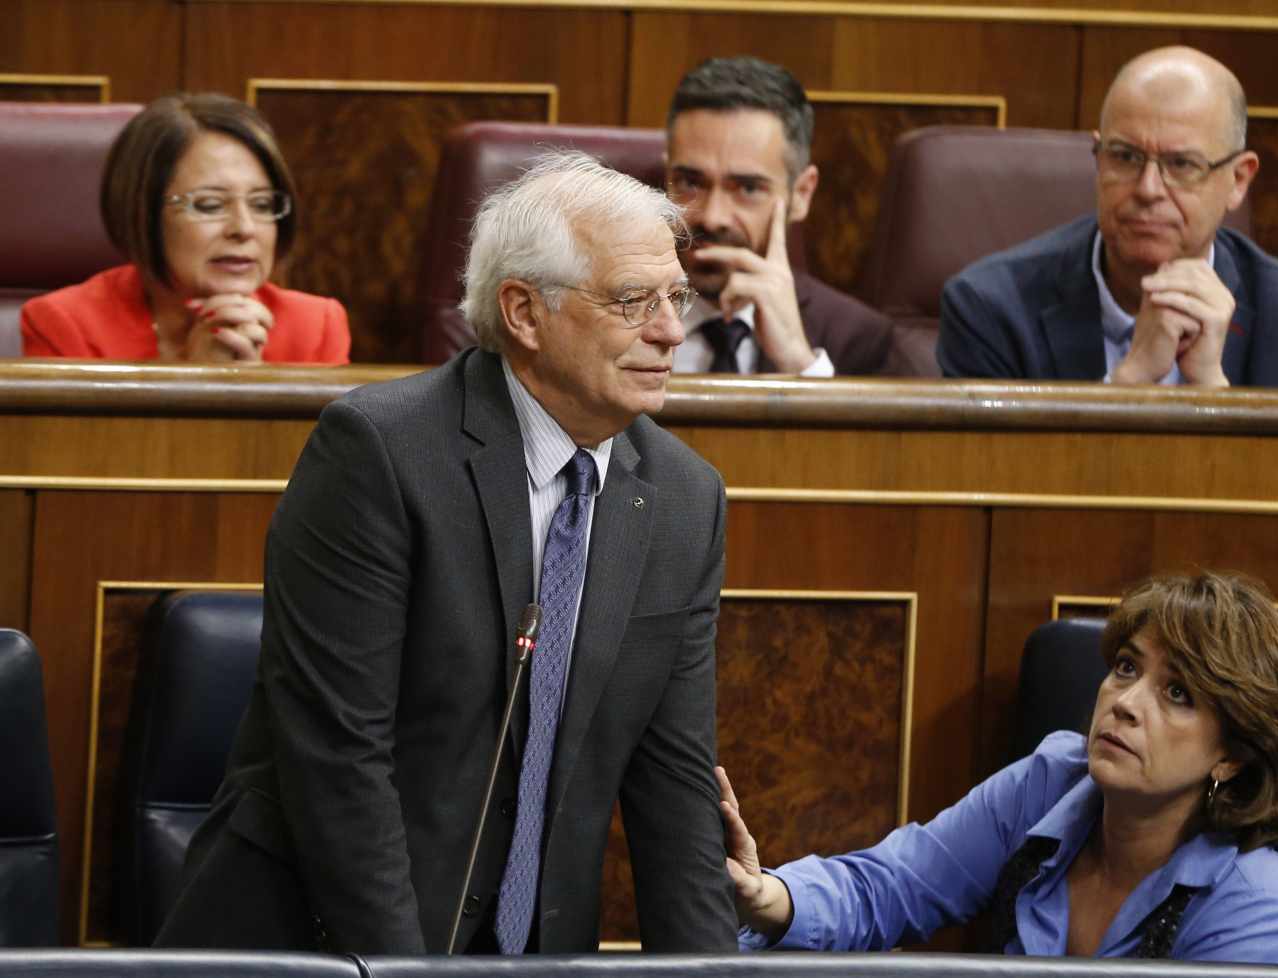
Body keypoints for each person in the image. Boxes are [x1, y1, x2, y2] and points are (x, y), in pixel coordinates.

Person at [156, 151, 735, 954]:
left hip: (534, 953)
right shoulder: (380, 455)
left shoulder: (683, 498)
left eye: (676, 297)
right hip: (320, 941)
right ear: (524, 313)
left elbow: (675, 789)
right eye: (633, 301)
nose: (672, 330)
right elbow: (340, 759)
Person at [721, 571, 1278, 962]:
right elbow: (892, 885)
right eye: (1126, 668)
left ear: (1232, 754)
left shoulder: (1256, 905)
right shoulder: (1052, 781)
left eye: (1177, 695)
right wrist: (768, 896)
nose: (1126, 703)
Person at [937, 47, 1278, 389]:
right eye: (1125, 157)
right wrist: (1128, 384)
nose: (1149, 189)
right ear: (1098, 161)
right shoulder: (990, 307)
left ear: (1238, 180)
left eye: (1182, 164)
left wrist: (1211, 392)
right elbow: (994, 483)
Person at [21, 93, 349, 363]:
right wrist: (193, 381)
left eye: (262, 205)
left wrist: (254, 385)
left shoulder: (315, 328)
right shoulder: (65, 325)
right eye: (210, 205)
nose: (244, 228)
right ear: (143, 211)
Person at [665, 56, 895, 376]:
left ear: (801, 195)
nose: (713, 217)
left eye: (747, 188)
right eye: (691, 182)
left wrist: (800, 363)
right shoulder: (615, 315)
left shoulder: (855, 339)